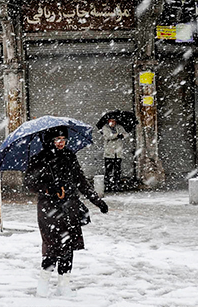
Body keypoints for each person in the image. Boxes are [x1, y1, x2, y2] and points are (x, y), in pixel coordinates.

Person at [24, 126, 108, 297]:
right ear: (50, 141)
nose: (61, 143)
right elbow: (29, 183)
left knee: (68, 247)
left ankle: (64, 284)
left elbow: (81, 181)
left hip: (70, 207)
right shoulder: (39, 159)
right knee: (52, 247)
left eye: (64, 139)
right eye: (57, 139)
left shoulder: (69, 156)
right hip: (49, 209)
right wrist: (49, 188)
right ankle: (43, 283)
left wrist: (97, 201)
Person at [101, 118, 128, 192]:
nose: (113, 123)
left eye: (114, 121)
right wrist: (117, 135)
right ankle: (107, 185)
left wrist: (123, 135)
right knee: (108, 170)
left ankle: (117, 185)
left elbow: (125, 134)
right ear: (108, 121)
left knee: (117, 170)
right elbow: (108, 136)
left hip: (118, 153)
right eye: (111, 121)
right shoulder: (105, 128)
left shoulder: (119, 127)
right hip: (109, 153)